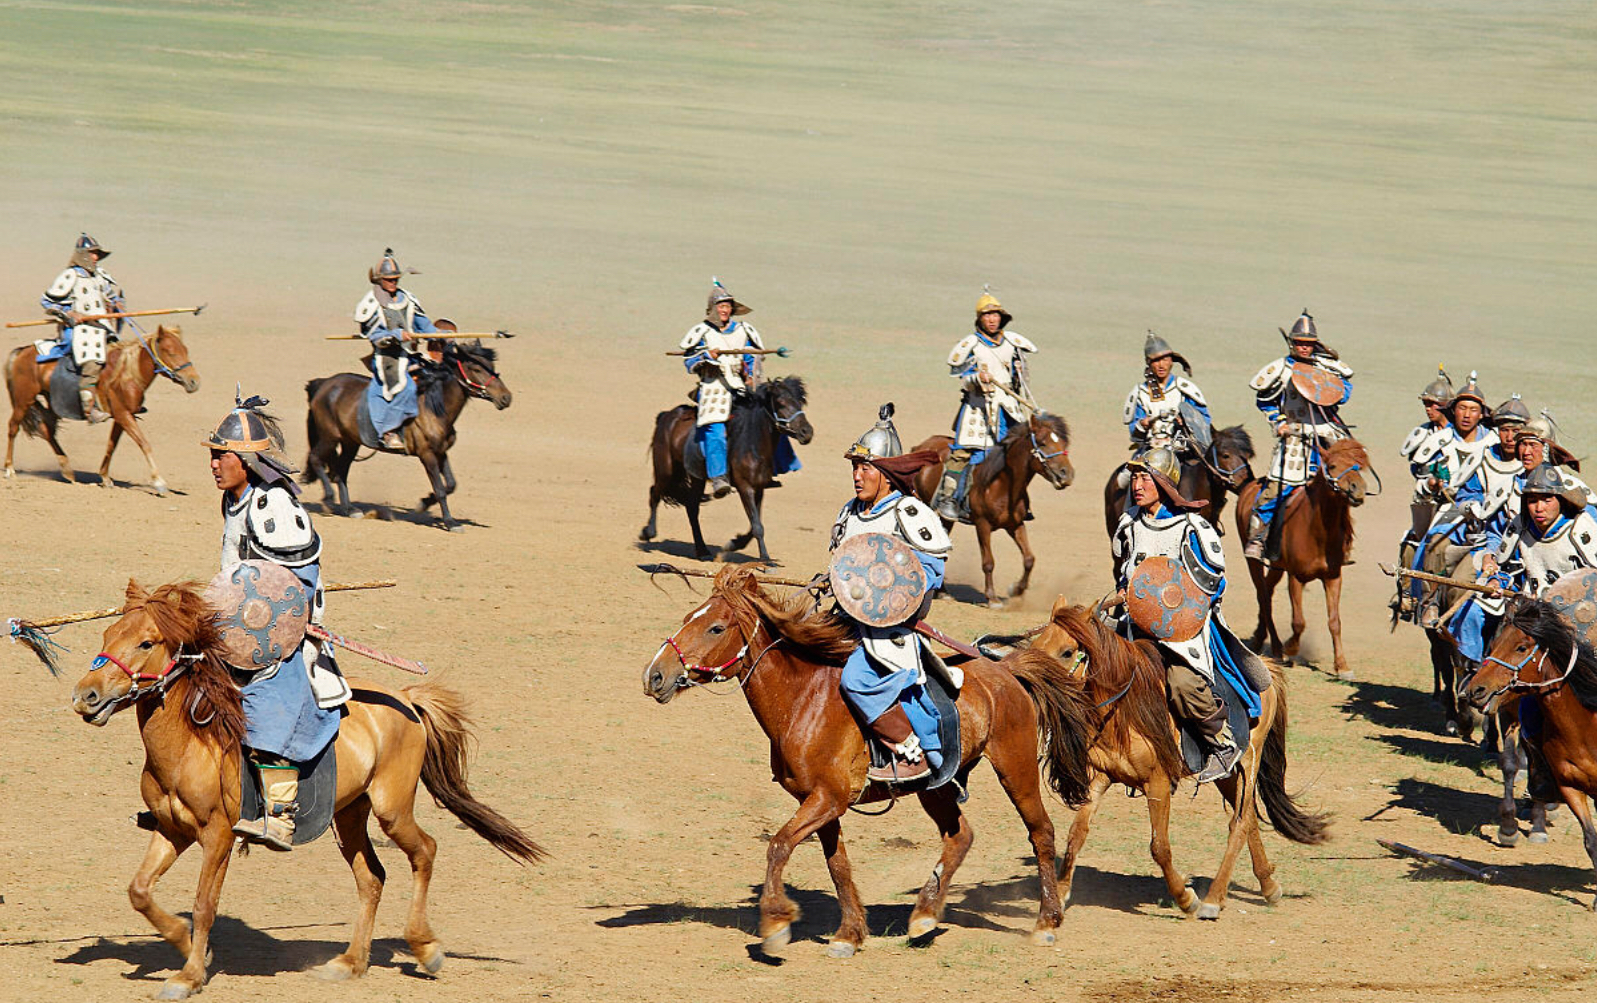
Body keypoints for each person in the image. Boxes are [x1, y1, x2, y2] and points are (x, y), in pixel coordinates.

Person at [203, 392, 348, 850]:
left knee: (268, 699)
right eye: (212, 455)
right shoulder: (236, 500)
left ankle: (279, 815)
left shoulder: (274, 507)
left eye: (221, 456)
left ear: (246, 461)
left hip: (279, 635)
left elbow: (294, 584)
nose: (213, 465)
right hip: (240, 623)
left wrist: (255, 623)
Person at [1110, 447, 1268, 783]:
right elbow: (1124, 575)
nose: (1137, 485)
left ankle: (1220, 741)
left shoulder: (1192, 529)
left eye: (1145, 478)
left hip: (1182, 632)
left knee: (1182, 683)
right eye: (1134, 477)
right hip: (1133, 624)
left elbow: (1212, 585)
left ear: (1163, 483)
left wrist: (1170, 603)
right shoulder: (1128, 526)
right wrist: (1120, 596)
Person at [831, 405, 951, 783]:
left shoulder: (908, 513)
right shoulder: (850, 513)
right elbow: (844, 564)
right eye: (854, 467)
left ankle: (911, 749)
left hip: (888, 629)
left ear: (886, 474)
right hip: (843, 617)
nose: (857, 475)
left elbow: (929, 573)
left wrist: (890, 596)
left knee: (855, 680)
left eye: (866, 468)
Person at [1244, 311, 1353, 561]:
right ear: (1293, 343)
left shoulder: (1326, 366)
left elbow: (1344, 392)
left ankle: (1343, 542)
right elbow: (1264, 400)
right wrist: (1279, 421)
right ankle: (1258, 537)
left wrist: (1328, 387)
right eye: (1300, 342)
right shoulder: (1280, 369)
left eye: (1309, 343)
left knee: (1347, 482)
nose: (1304, 347)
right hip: (1293, 437)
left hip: (1325, 434)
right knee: (1275, 490)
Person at [932, 290, 1038, 521]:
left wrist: (1019, 372)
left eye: (995, 315)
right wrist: (978, 378)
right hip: (978, 410)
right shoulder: (971, 346)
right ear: (980, 318)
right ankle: (950, 498)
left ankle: (1019, 501)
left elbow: (1020, 379)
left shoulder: (1013, 343)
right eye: (987, 315)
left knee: (1021, 452)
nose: (992, 319)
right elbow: (963, 378)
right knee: (962, 454)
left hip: (1008, 408)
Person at [678, 279, 765, 498]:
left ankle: (773, 468)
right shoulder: (702, 332)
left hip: (739, 387)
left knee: (768, 420)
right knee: (715, 431)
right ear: (713, 309)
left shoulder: (744, 330)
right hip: (713, 389)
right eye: (721, 306)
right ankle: (718, 477)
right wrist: (707, 356)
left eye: (728, 306)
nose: (725, 310)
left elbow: (753, 357)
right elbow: (690, 361)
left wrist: (750, 373)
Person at [354, 248, 441, 451]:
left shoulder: (407, 298)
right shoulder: (373, 303)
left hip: (409, 355)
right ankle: (388, 431)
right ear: (379, 280)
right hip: (387, 358)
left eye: (396, 279)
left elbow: (423, 324)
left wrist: (437, 333)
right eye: (389, 279)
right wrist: (394, 335)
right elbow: (374, 336)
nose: (393, 283)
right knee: (407, 387)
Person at [39, 233, 123, 423]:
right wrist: (69, 313)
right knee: (92, 363)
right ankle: (89, 409)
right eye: (93, 253)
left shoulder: (100, 276)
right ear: (83, 254)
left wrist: (117, 303)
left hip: (102, 327)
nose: (96, 257)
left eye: (97, 254)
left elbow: (110, 296)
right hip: (82, 329)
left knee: (119, 357)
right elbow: (47, 301)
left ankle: (122, 401)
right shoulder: (70, 275)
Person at [1123, 331, 1208, 456]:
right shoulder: (1140, 393)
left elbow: (1204, 420)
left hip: (1183, 449)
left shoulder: (1185, 389)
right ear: (1148, 362)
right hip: (1150, 450)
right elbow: (1135, 433)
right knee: (1126, 475)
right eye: (1156, 361)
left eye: (1165, 359)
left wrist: (1188, 421)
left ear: (1171, 361)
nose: (1161, 365)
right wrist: (1142, 424)